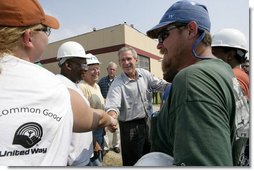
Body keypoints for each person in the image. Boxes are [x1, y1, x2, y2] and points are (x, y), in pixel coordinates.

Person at [0, 0, 116, 166]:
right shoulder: (53, 87)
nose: (86, 68)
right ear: (28, 37)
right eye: (45, 30)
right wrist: (111, 119)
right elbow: (92, 118)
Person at [146, 0, 249, 166]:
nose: (159, 45)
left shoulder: (193, 79)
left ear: (190, 30)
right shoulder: (224, 72)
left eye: (163, 35)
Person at [105, 46, 169, 166]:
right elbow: (112, 105)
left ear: (136, 60)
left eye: (129, 59)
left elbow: (161, 85)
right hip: (129, 128)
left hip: (147, 123)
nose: (126, 63)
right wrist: (112, 118)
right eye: (122, 60)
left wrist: (175, 84)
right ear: (119, 63)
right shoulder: (118, 83)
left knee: (149, 157)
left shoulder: (144, 74)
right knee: (133, 162)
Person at [56, 41, 94, 166]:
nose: (86, 69)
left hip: (82, 157)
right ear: (68, 65)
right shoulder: (59, 87)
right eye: (83, 64)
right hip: (71, 162)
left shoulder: (75, 85)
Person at [78, 55, 105, 166]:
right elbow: (82, 118)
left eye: (97, 68)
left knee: (100, 159)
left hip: (100, 130)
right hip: (90, 133)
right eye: (92, 69)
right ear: (84, 71)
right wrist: (93, 141)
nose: (96, 71)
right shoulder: (82, 87)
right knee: (94, 163)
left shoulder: (96, 86)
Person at [212, 28, 250, 99]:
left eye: (214, 53)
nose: (210, 56)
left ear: (230, 56)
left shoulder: (232, 77)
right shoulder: (241, 74)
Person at [98, 62, 121, 155]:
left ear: (115, 70)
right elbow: (98, 93)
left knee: (116, 127)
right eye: (110, 69)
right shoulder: (102, 81)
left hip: (116, 108)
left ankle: (116, 145)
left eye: (113, 69)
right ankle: (106, 147)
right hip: (105, 107)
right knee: (105, 127)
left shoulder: (119, 81)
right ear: (107, 69)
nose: (112, 71)